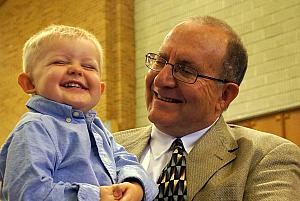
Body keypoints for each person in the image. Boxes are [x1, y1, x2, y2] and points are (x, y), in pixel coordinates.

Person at [113, 16, 300, 200]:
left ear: (224, 95)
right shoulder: (107, 148)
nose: (161, 80)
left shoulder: (266, 158)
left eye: (185, 70)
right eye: (160, 61)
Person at [0, 25, 157, 201]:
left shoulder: (98, 130)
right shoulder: (35, 128)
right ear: (29, 83)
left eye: (89, 66)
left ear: (100, 88)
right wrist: (96, 196)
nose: (76, 69)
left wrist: (135, 184)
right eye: (59, 62)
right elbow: (28, 193)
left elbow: (125, 161)